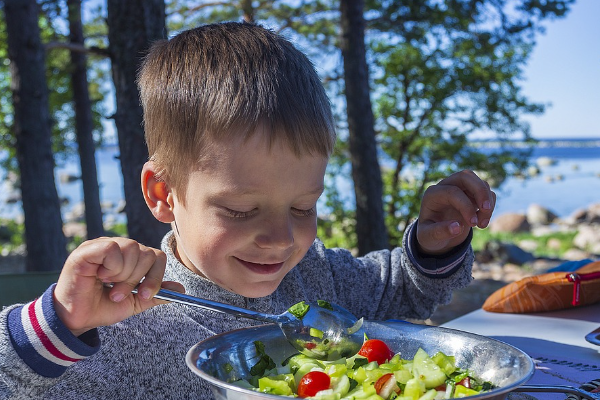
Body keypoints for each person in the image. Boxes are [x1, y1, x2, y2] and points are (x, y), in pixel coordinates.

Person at [0, 22, 495, 399]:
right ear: (162, 193)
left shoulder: (317, 277)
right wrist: (59, 323)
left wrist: (433, 246)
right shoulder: (120, 328)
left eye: (304, 206)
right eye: (239, 210)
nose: (281, 238)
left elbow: (399, 292)